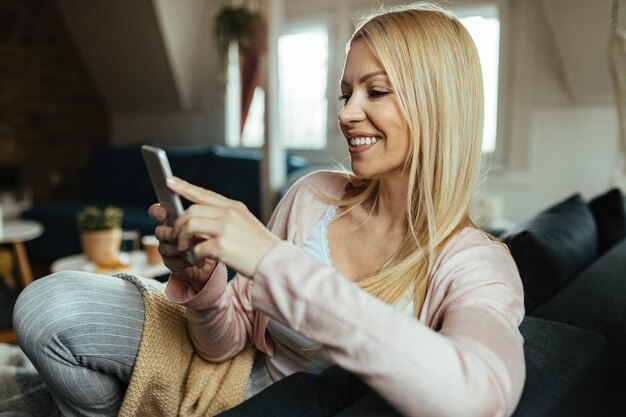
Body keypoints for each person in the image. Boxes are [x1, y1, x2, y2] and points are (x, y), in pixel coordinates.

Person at [12, 3, 525, 417]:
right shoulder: (314, 197)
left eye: (376, 91)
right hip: (227, 383)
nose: (346, 114)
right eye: (345, 93)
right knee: (44, 306)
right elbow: (226, 344)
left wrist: (272, 260)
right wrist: (207, 283)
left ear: (437, 105)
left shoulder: (476, 265)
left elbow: (479, 400)